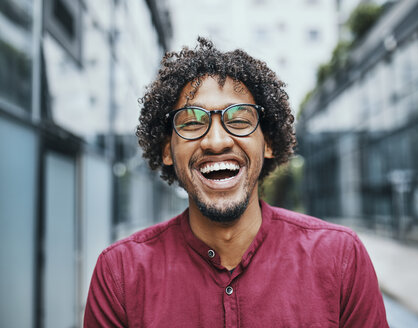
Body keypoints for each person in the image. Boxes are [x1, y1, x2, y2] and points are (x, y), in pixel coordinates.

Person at [84, 38, 388, 327]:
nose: (216, 141)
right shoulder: (120, 273)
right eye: (192, 122)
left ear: (267, 143)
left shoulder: (340, 257)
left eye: (239, 120)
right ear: (167, 150)